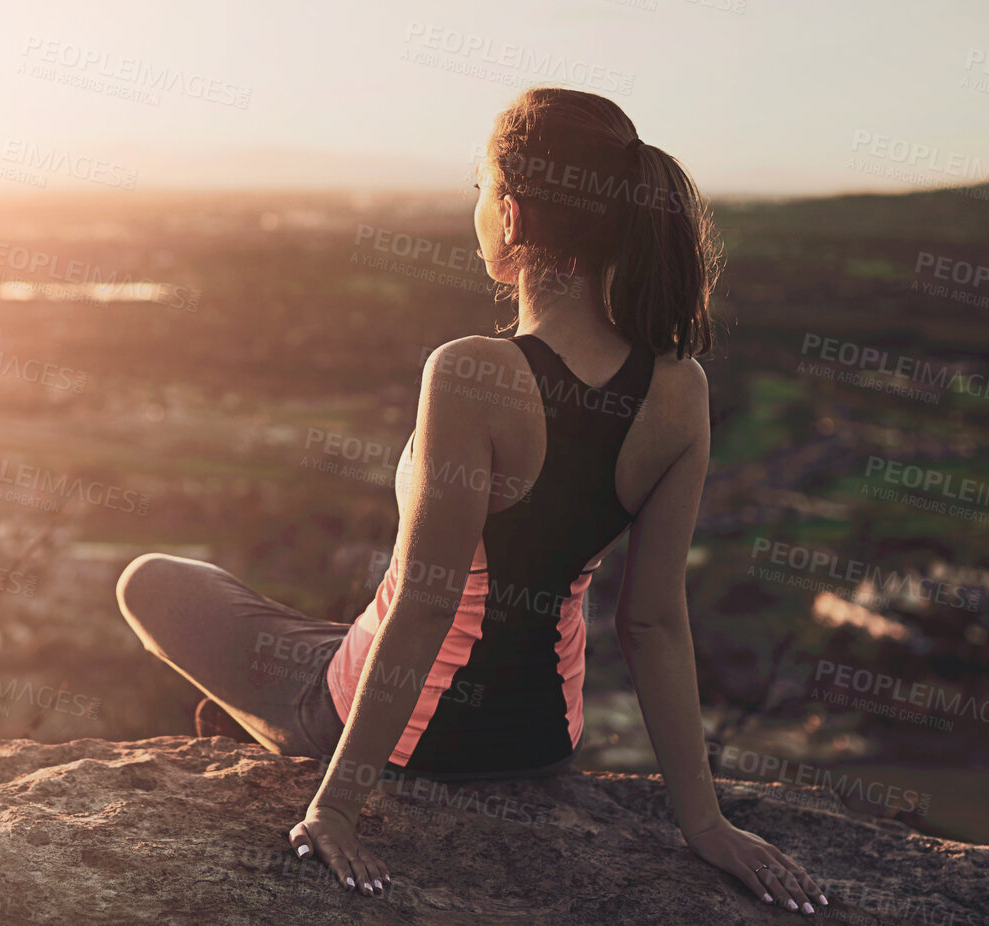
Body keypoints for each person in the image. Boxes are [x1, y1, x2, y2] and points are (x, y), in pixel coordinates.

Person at [116, 87, 829, 915]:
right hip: (539, 741)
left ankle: (287, 735)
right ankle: (269, 710)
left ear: (515, 216)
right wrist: (702, 825)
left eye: (481, 186)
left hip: (403, 733)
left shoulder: (471, 372)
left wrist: (338, 805)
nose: (478, 206)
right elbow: (653, 622)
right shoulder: (680, 389)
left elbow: (426, 606)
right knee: (315, 638)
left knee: (153, 580)